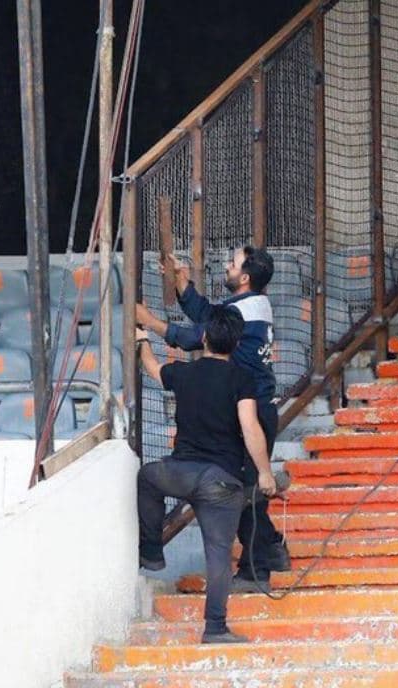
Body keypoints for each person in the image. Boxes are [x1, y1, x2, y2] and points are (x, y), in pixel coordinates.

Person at [136, 246, 288, 592]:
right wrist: (183, 286)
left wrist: (149, 323)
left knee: (247, 492)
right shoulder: (249, 305)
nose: (226, 266)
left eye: (232, 263)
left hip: (253, 408)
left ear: (245, 277)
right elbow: (209, 318)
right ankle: (272, 549)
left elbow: (197, 336)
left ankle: (256, 571)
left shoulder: (247, 310)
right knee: (246, 489)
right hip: (242, 404)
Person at [136, 306, 277, 644]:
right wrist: (265, 474)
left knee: (147, 477)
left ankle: (152, 550)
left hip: (179, 473)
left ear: (203, 337)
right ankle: (214, 627)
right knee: (218, 555)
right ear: (237, 341)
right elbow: (250, 427)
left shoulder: (185, 372)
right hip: (222, 482)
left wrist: (142, 340)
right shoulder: (241, 378)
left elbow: (153, 370)